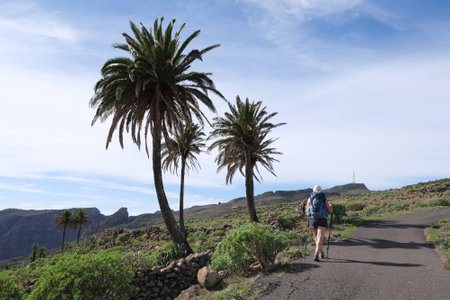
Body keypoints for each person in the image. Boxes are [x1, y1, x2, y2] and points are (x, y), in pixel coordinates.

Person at [306, 185, 333, 261]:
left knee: (316, 237)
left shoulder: (310, 198)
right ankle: (316, 253)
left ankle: (321, 252)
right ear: (321, 190)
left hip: (312, 219)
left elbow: (307, 211)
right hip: (322, 218)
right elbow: (330, 211)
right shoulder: (324, 198)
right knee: (320, 237)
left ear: (313, 190)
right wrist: (331, 206)